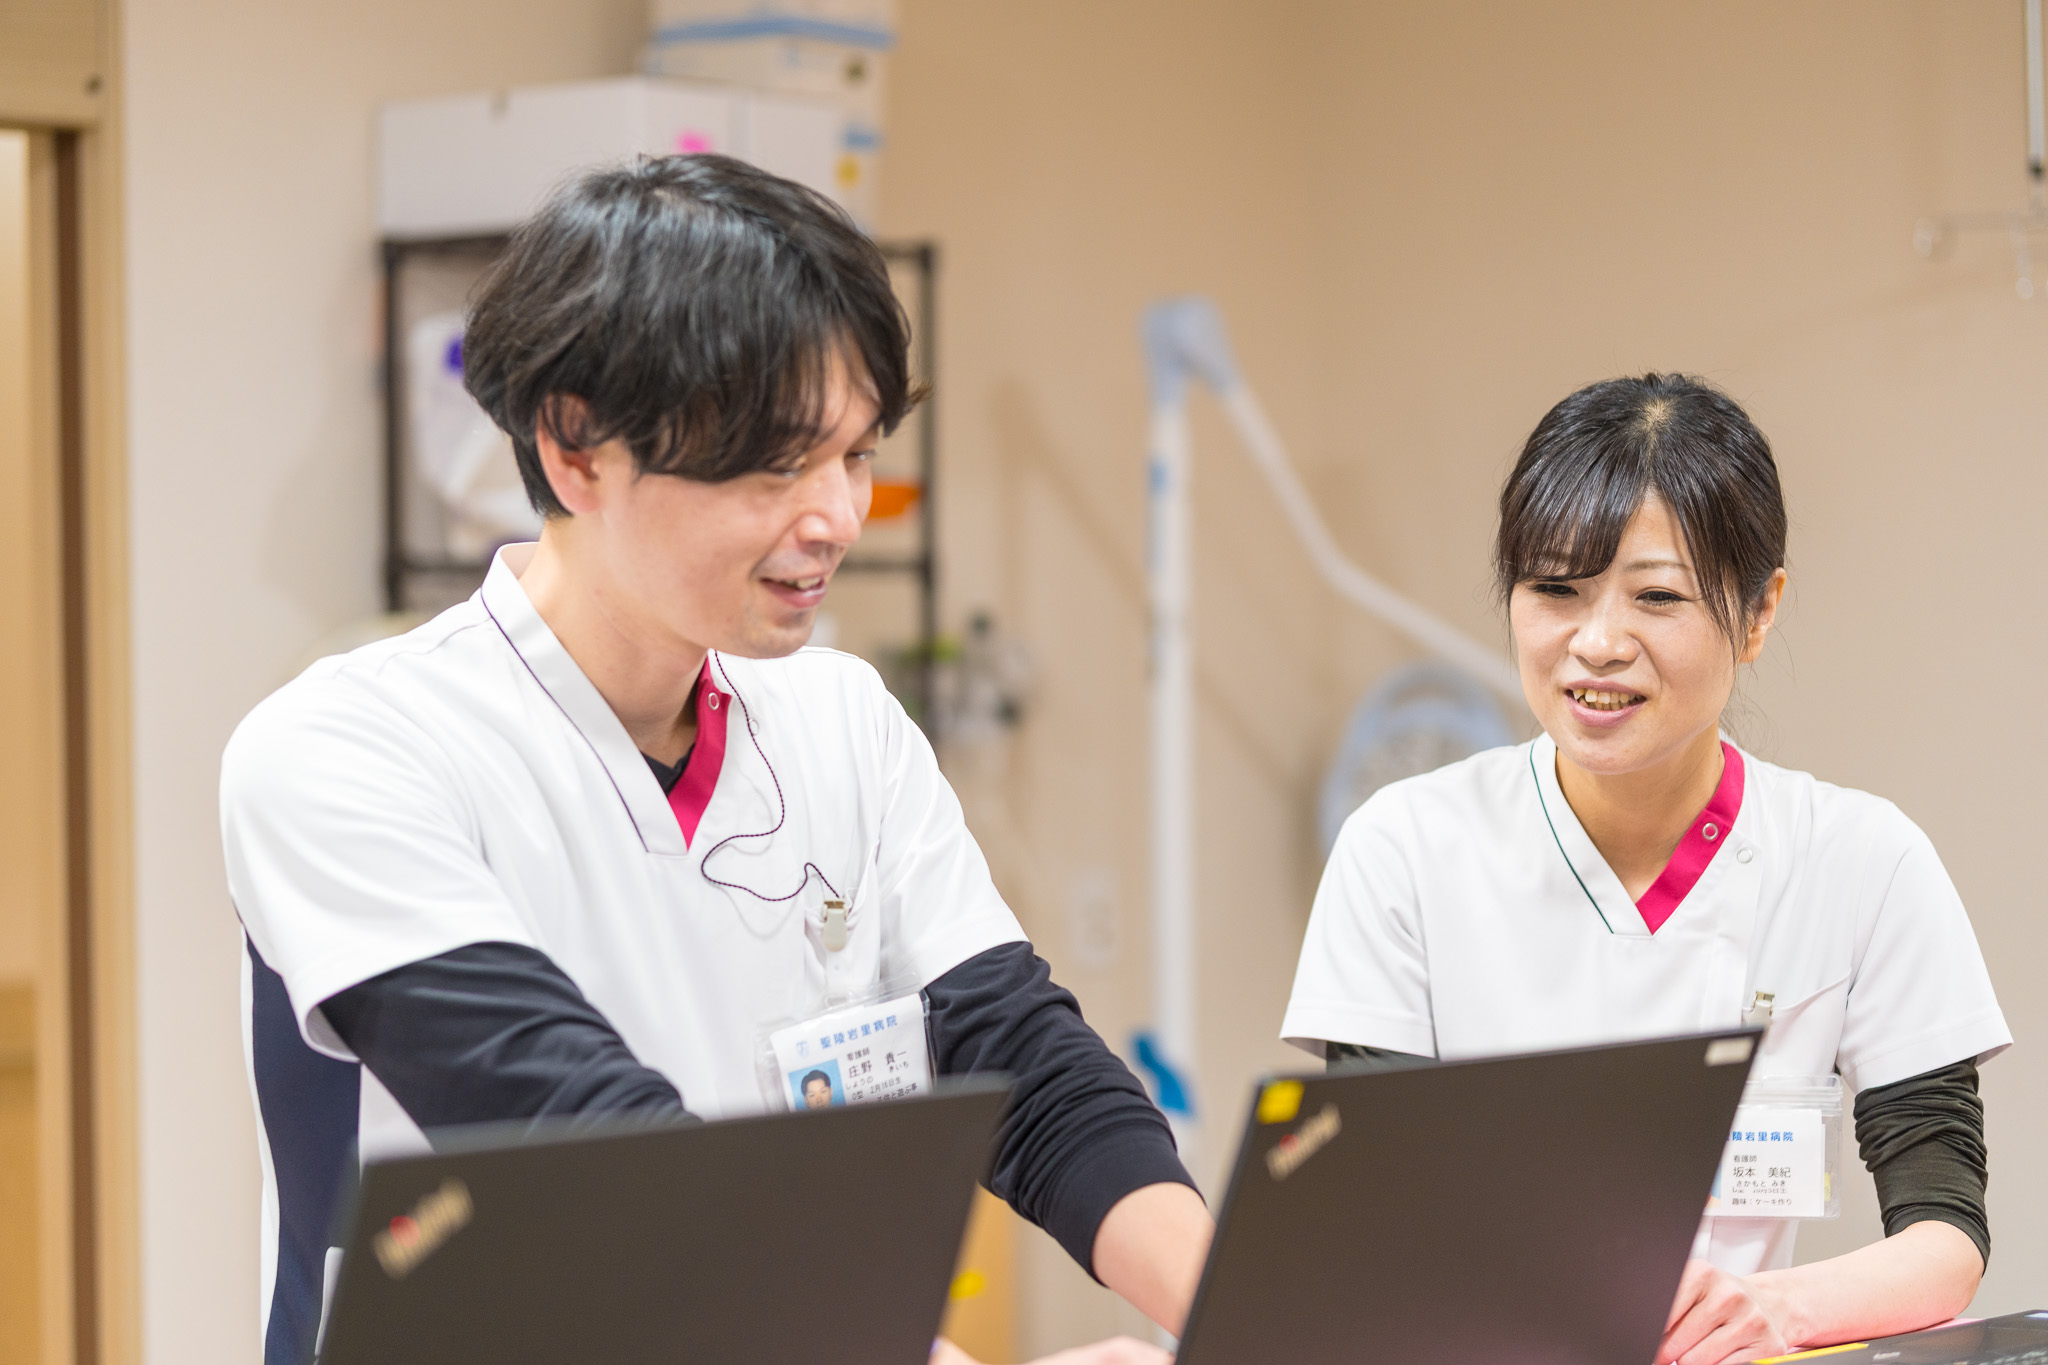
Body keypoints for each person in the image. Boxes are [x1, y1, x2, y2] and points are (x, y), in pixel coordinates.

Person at [225, 154, 1205, 1365]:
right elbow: (602, 1165)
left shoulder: (842, 720)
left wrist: (1241, 1314)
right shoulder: (348, 752)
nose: (837, 518)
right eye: (778, 463)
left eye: (856, 455)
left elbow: (1020, 1061)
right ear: (577, 448)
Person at [1281, 374, 2008, 1365]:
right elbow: (1376, 1217)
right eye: (1554, 589)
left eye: (1656, 597)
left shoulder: (1862, 861)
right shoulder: (1403, 849)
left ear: (1758, 613)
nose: (1595, 644)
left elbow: (1943, 1235)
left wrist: (1771, 1308)